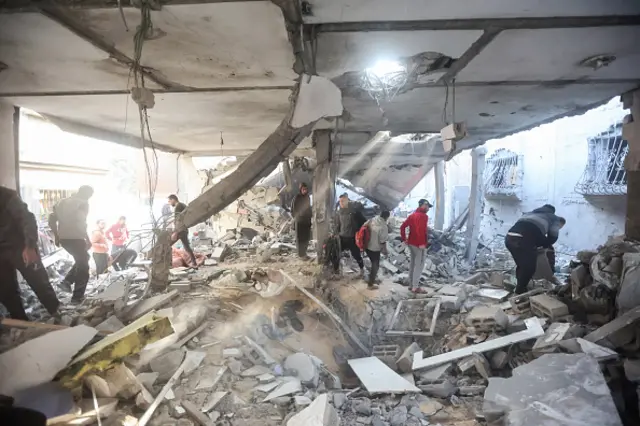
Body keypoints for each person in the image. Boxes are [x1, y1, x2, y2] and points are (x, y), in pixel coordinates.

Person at [0, 186, 60, 319]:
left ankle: (57, 313)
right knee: (6, 290)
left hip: (20, 247)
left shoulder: (6, 196)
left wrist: (30, 246)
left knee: (39, 282)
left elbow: (27, 218)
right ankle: (21, 323)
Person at [505, 205, 566, 294]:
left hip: (509, 238)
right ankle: (519, 291)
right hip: (524, 239)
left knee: (521, 265)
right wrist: (546, 245)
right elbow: (553, 236)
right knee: (529, 268)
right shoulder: (554, 218)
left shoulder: (530, 213)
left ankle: (519, 287)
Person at [49, 185, 94, 302]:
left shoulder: (61, 202)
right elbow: (81, 224)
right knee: (84, 266)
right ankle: (77, 297)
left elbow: (51, 219)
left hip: (64, 238)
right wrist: (87, 239)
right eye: (89, 196)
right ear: (87, 195)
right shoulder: (83, 203)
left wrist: (56, 236)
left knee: (83, 259)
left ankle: (67, 281)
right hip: (76, 238)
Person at [400, 199, 432, 291]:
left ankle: (411, 285)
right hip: (418, 244)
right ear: (422, 205)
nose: (428, 208)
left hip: (411, 243)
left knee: (413, 264)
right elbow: (419, 230)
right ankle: (415, 287)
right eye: (427, 206)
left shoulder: (412, 215)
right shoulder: (423, 216)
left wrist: (404, 239)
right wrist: (421, 243)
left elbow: (403, 227)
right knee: (419, 265)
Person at [333, 193, 366, 276]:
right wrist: (335, 233)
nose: (341, 203)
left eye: (343, 201)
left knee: (356, 255)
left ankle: (362, 269)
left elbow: (363, 221)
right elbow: (337, 224)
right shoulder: (339, 212)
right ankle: (336, 270)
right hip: (342, 238)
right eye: (340, 201)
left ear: (347, 200)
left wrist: (360, 233)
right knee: (336, 254)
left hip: (352, 238)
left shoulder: (354, 211)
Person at [168, 194, 197, 266]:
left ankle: (169, 265)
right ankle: (194, 263)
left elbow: (179, 220)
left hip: (180, 230)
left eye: (170, 201)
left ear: (173, 199)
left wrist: (175, 232)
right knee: (187, 247)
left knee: (167, 245)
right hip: (184, 230)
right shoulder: (183, 205)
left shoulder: (178, 206)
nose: (169, 203)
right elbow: (181, 218)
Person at [364, 210, 390, 289]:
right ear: (387, 217)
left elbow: (364, 226)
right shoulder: (384, 226)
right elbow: (382, 242)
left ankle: (370, 277)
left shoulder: (373, 219)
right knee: (376, 266)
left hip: (366, 246)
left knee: (372, 263)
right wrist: (385, 251)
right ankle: (370, 284)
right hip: (374, 249)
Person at [291, 182, 312, 259]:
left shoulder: (308, 197)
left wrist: (311, 215)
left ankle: (304, 253)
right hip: (300, 222)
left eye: (306, 189)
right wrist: (297, 218)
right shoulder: (297, 198)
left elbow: (309, 208)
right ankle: (301, 255)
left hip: (307, 221)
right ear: (300, 189)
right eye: (303, 189)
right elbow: (293, 210)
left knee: (306, 238)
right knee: (300, 238)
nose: (305, 191)